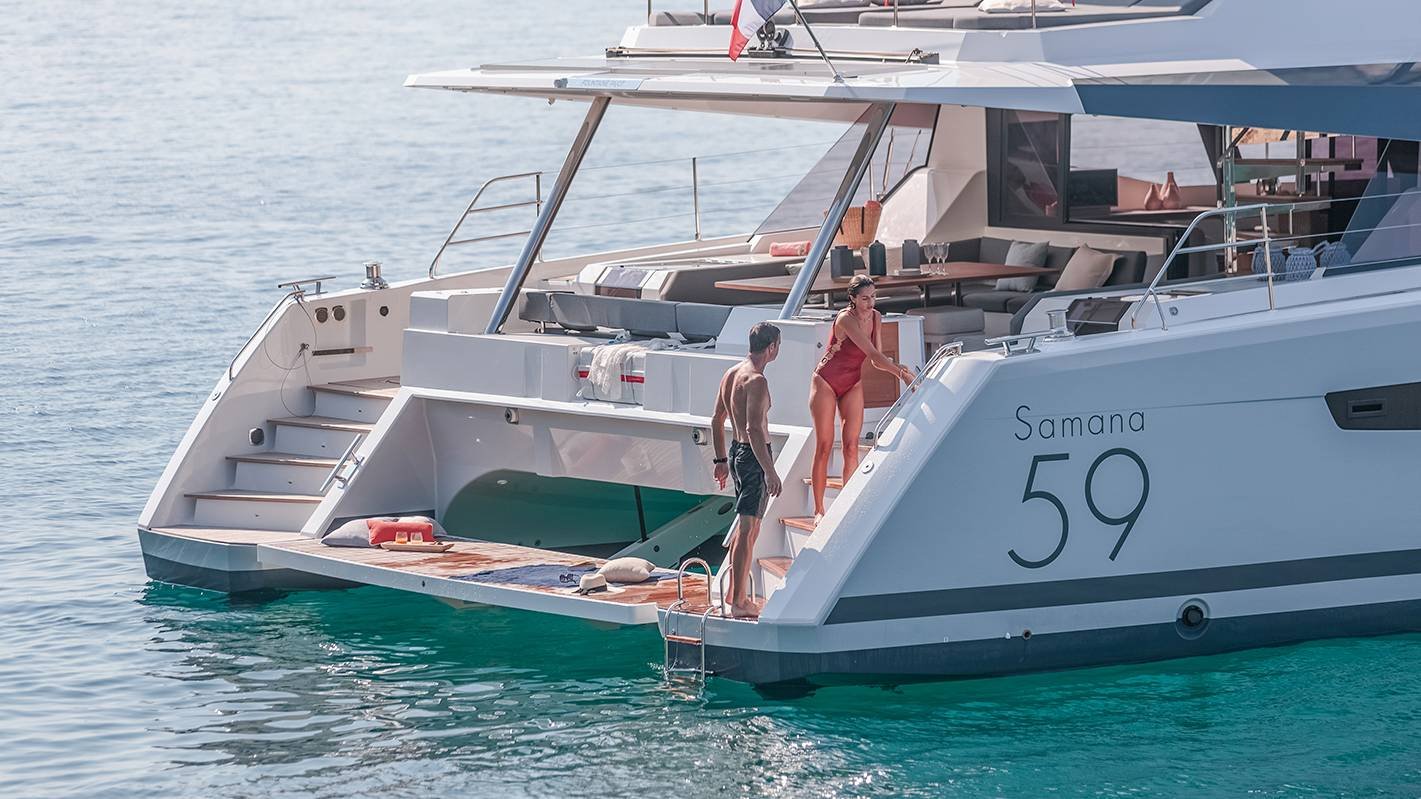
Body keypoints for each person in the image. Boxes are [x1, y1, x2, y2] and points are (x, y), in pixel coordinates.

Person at [809, 275, 915, 521]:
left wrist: (900, 368)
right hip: (825, 381)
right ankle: (818, 510)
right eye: (865, 298)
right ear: (853, 299)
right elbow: (873, 355)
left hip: (852, 382)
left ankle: (847, 506)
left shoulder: (876, 317)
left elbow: (877, 360)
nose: (870, 303)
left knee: (851, 445)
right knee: (824, 445)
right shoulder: (846, 319)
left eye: (873, 297)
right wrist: (902, 376)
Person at [711, 321, 783, 619]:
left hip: (736, 453)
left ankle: (733, 592)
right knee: (747, 528)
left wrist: (720, 461)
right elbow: (754, 429)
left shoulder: (731, 374)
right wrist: (770, 471)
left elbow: (717, 419)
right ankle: (740, 601)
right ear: (771, 348)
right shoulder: (757, 381)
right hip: (754, 457)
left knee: (748, 527)